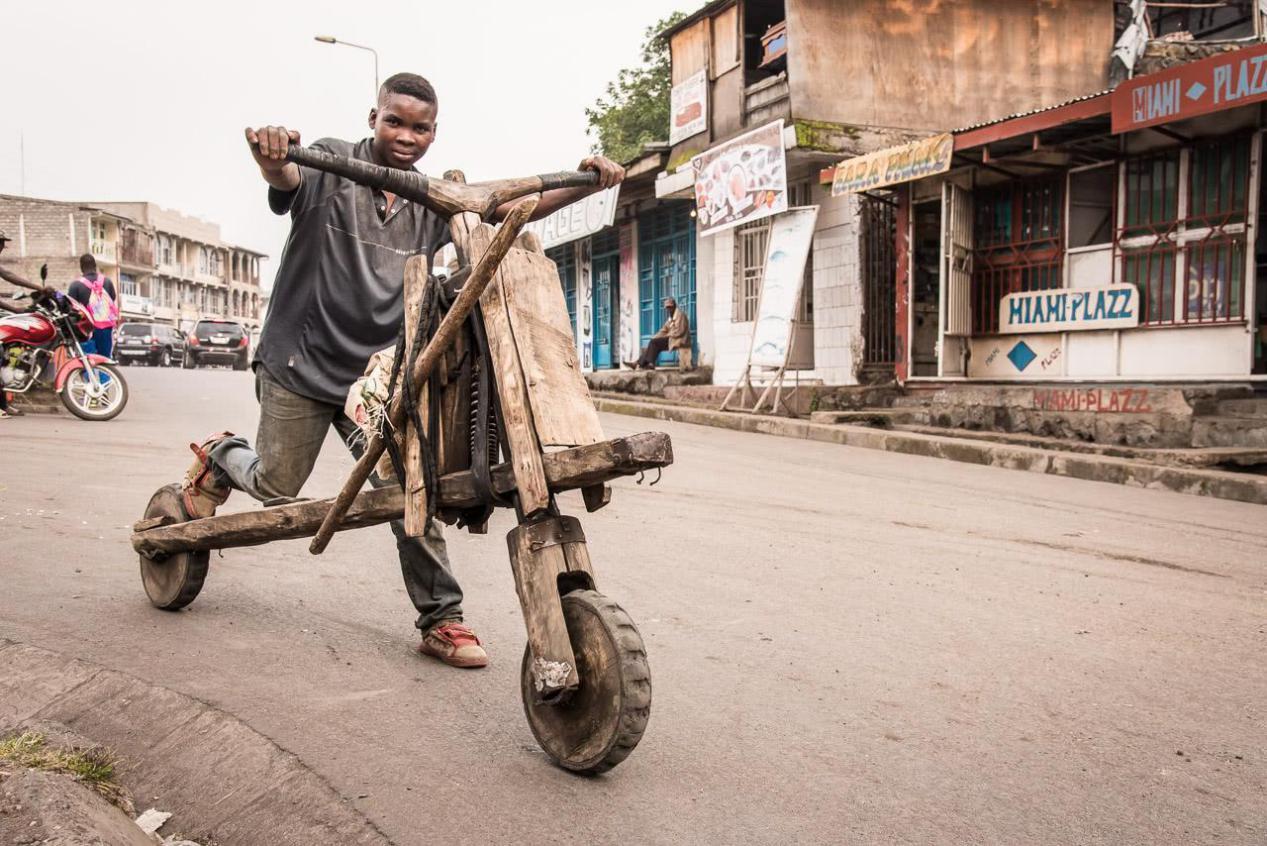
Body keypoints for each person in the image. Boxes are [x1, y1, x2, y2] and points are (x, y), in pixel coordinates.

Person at [180, 72, 624, 669]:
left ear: (434, 133)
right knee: (277, 486)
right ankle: (221, 455)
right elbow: (284, 176)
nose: (406, 136)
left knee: (410, 484)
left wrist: (582, 182)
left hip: (375, 379)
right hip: (299, 361)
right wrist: (273, 155)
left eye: (420, 128)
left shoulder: (432, 197)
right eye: (395, 122)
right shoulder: (330, 164)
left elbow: (507, 206)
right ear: (374, 119)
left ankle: (442, 619)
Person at [68, 254, 119, 357]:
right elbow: (112, 299)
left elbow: (70, 308)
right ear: (95, 266)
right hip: (105, 327)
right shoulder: (107, 282)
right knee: (105, 359)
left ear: (81, 267)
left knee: (88, 359)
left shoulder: (76, 285)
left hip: (87, 329)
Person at [628, 297, 691, 370]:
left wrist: (667, 335)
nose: (669, 309)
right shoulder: (671, 317)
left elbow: (680, 331)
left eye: (670, 307)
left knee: (654, 343)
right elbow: (664, 329)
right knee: (653, 342)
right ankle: (640, 363)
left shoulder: (680, 315)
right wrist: (656, 337)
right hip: (671, 338)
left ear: (674, 306)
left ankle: (645, 363)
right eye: (667, 308)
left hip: (679, 339)